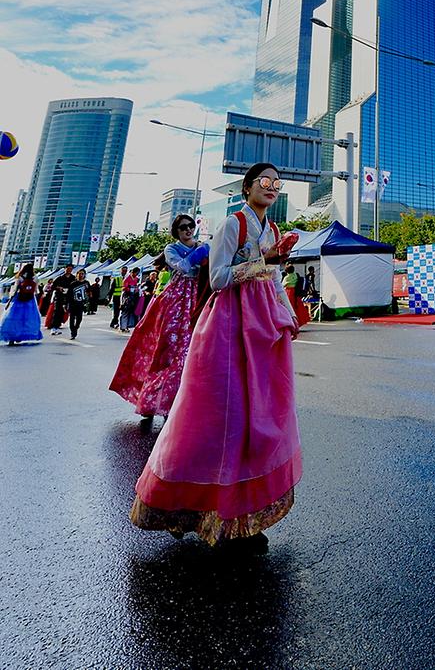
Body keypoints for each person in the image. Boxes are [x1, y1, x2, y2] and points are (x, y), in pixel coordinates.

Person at [130, 163, 301, 552]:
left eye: (277, 183)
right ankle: (186, 507)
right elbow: (219, 278)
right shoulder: (232, 225)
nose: (272, 188)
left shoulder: (272, 230)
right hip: (227, 325)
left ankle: (244, 518)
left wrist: (287, 313)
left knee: (258, 419)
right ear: (247, 188)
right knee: (218, 419)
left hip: (263, 327)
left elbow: (273, 281)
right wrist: (264, 261)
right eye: (265, 182)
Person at [109, 215, 208, 421]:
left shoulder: (203, 246)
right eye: (183, 227)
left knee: (193, 353)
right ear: (176, 231)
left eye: (191, 225)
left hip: (198, 301)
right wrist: (200, 253)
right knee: (166, 352)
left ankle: (182, 404)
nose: (188, 229)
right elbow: (182, 267)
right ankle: (154, 401)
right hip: (174, 303)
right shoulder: (171, 249)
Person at [0, 263, 43, 345]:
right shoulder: (35, 278)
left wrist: (10, 300)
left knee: (14, 318)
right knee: (27, 319)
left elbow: (15, 289)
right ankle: (21, 336)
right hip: (30, 300)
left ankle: (12, 337)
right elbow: (36, 291)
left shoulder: (20, 277)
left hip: (19, 299)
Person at [49, 264, 75, 335]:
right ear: (65, 269)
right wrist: (59, 288)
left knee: (62, 312)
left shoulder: (73, 278)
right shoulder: (60, 278)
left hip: (68, 297)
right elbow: (53, 286)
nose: (69, 270)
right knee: (57, 311)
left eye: (70, 269)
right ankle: (53, 327)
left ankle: (58, 326)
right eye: (68, 268)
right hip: (59, 296)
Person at [67, 269, 90, 341]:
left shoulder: (86, 283)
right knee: (72, 318)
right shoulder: (73, 284)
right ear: (77, 274)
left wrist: (88, 302)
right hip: (73, 304)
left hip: (81, 304)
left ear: (84, 275)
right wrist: (66, 304)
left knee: (79, 318)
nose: (81, 275)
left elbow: (89, 292)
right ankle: (72, 332)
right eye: (79, 274)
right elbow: (69, 294)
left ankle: (76, 328)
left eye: (82, 274)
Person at [120, 268, 143, 332]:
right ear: (133, 272)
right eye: (136, 273)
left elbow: (136, 286)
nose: (136, 275)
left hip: (133, 297)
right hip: (126, 296)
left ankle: (127, 326)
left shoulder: (136, 279)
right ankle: (123, 326)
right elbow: (124, 288)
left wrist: (136, 289)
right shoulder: (127, 278)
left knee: (131, 312)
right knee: (125, 311)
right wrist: (130, 289)